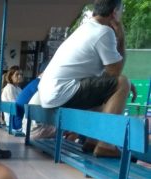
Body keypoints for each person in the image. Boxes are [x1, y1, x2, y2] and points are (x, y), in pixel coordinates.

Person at [37, 0, 135, 157]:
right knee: (123, 83)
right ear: (115, 12)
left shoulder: (84, 28)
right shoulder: (104, 31)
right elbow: (116, 72)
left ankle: (92, 141)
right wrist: (121, 37)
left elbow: (108, 77)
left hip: (51, 93)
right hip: (61, 92)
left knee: (108, 91)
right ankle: (106, 145)